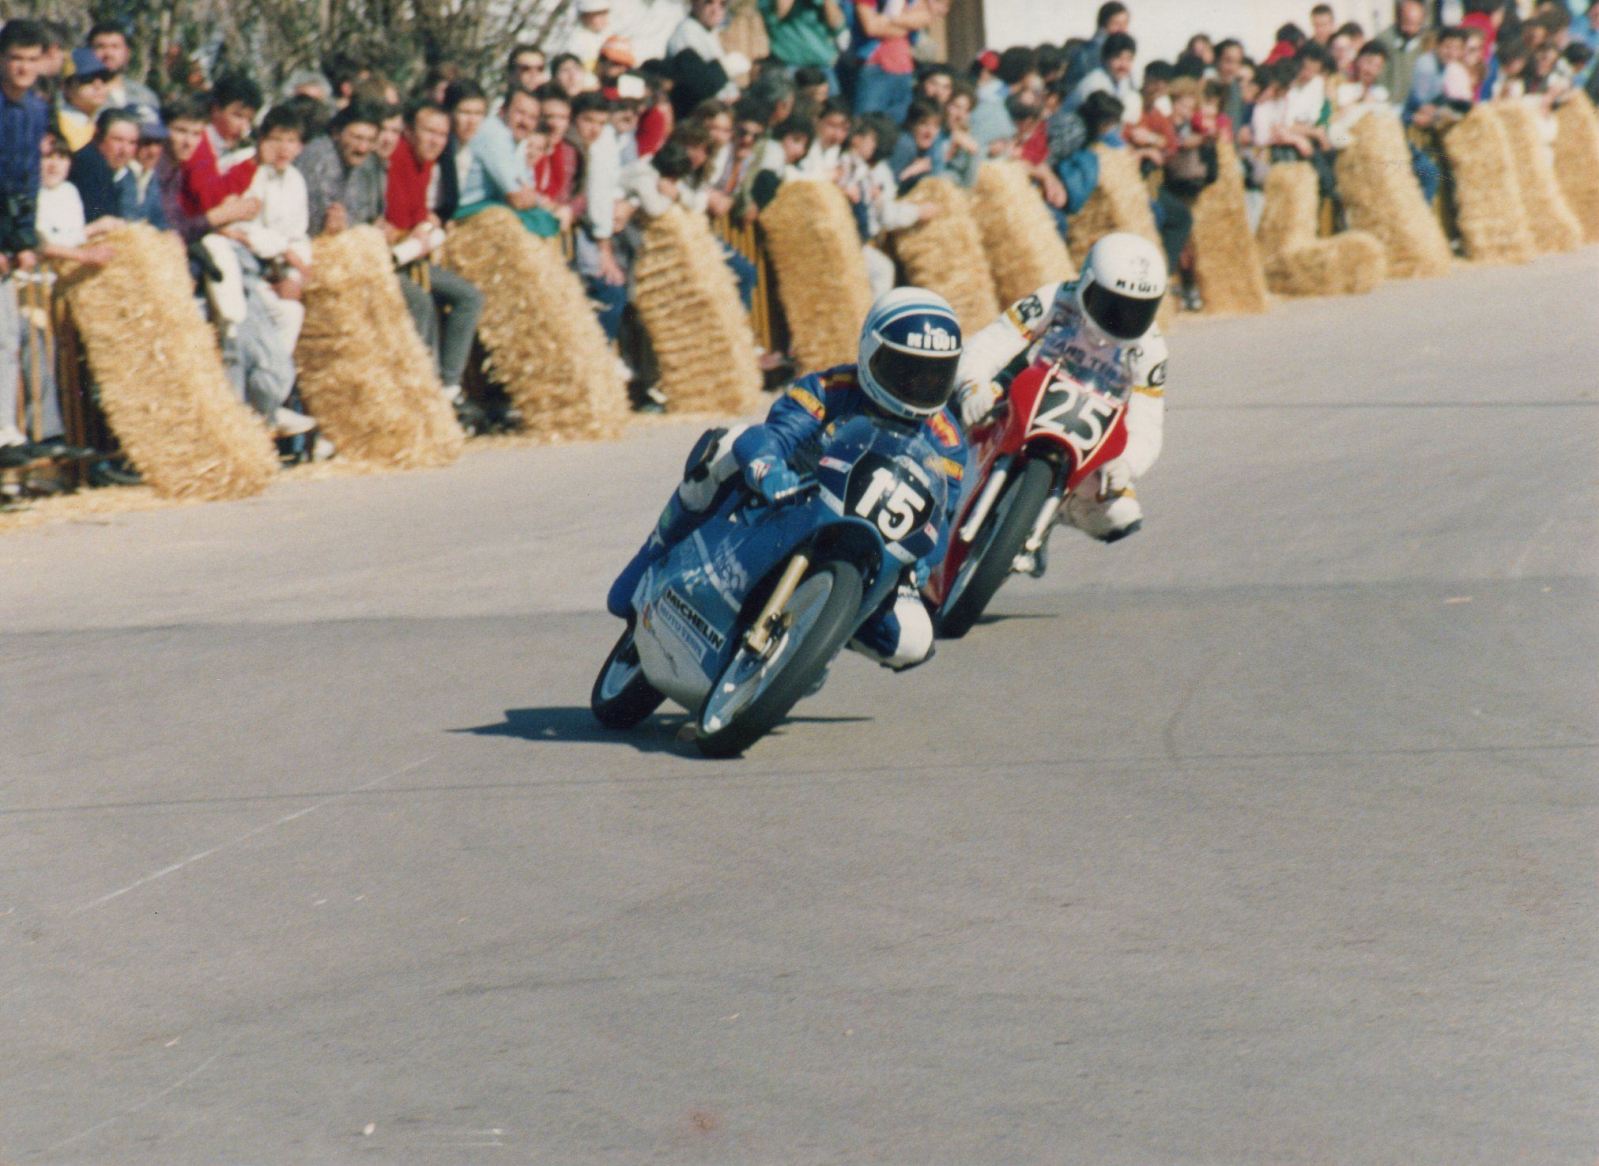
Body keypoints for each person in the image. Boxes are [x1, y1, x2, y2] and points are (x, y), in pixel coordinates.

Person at [606, 287, 970, 672]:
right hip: (791, 501)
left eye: (934, 375)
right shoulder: (832, 388)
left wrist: (921, 561)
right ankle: (655, 552)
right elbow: (773, 436)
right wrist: (768, 469)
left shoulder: (947, 440)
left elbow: (939, 519)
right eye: (904, 370)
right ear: (869, 353)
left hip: (872, 551)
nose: (918, 387)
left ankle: (820, 633)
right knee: (726, 445)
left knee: (916, 640)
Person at [953, 232, 1169, 556]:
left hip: (1089, 429)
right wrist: (973, 384)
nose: (1123, 319)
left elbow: (1147, 421)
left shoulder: (1150, 350)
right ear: (1086, 284)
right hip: (1022, 390)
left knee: (1120, 514)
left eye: (1138, 311)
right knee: (953, 405)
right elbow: (996, 340)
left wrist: (1127, 463)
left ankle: (1057, 507)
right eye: (1113, 305)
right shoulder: (1054, 299)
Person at [67, 107, 140, 222]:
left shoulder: (122, 172)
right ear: (98, 136)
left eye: (132, 143)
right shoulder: (88, 166)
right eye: (118, 140)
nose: (125, 150)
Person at [761, 0, 846, 90]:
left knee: (831, 102)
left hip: (822, 64)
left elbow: (837, 27)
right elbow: (773, 16)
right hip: (789, 63)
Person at [87, 22, 159, 112]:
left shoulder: (144, 97)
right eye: (101, 47)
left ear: (127, 52)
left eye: (115, 47)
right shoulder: (79, 97)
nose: (108, 54)